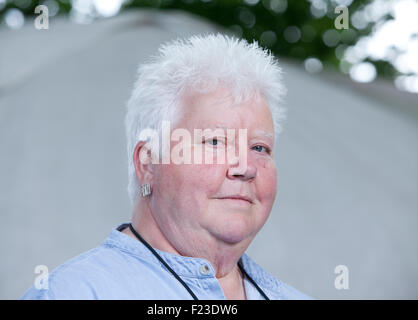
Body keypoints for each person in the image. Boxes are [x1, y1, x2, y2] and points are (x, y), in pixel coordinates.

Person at [21, 33, 311, 300]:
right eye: (214, 142)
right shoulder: (72, 294)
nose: (245, 167)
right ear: (148, 162)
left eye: (259, 147)